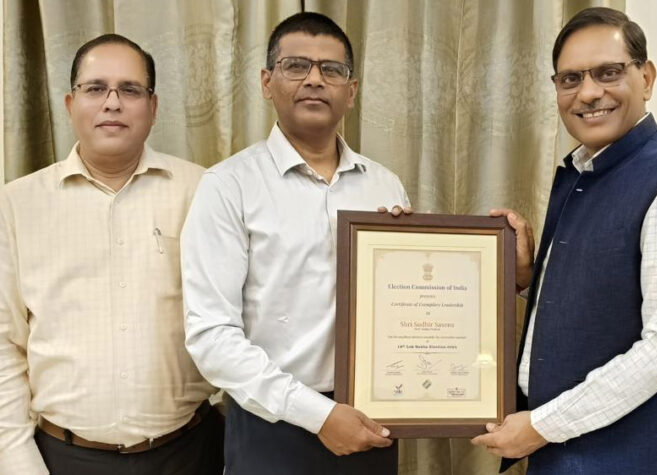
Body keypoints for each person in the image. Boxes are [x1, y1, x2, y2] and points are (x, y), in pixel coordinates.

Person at [473, 7, 657, 474]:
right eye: (571, 79)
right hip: (562, 454)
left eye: (608, 72)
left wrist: (541, 425)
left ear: (646, 78)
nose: (588, 93)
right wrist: (528, 280)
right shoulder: (581, 173)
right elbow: (605, 298)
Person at [181, 12, 410, 475]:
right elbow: (212, 336)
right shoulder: (228, 186)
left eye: (332, 69)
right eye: (296, 66)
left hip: (371, 419)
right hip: (271, 426)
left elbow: (408, 308)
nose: (314, 80)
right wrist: (318, 415)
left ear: (351, 90)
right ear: (267, 82)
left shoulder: (385, 187)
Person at [0, 34, 223, 475]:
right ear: (70, 104)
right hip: (63, 457)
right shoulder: (16, 204)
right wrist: (18, 459)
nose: (113, 103)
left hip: (190, 452)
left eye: (130, 89)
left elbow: (240, 317)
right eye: (96, 88)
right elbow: (5, 343)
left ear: (153, 107)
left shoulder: (202, 191)